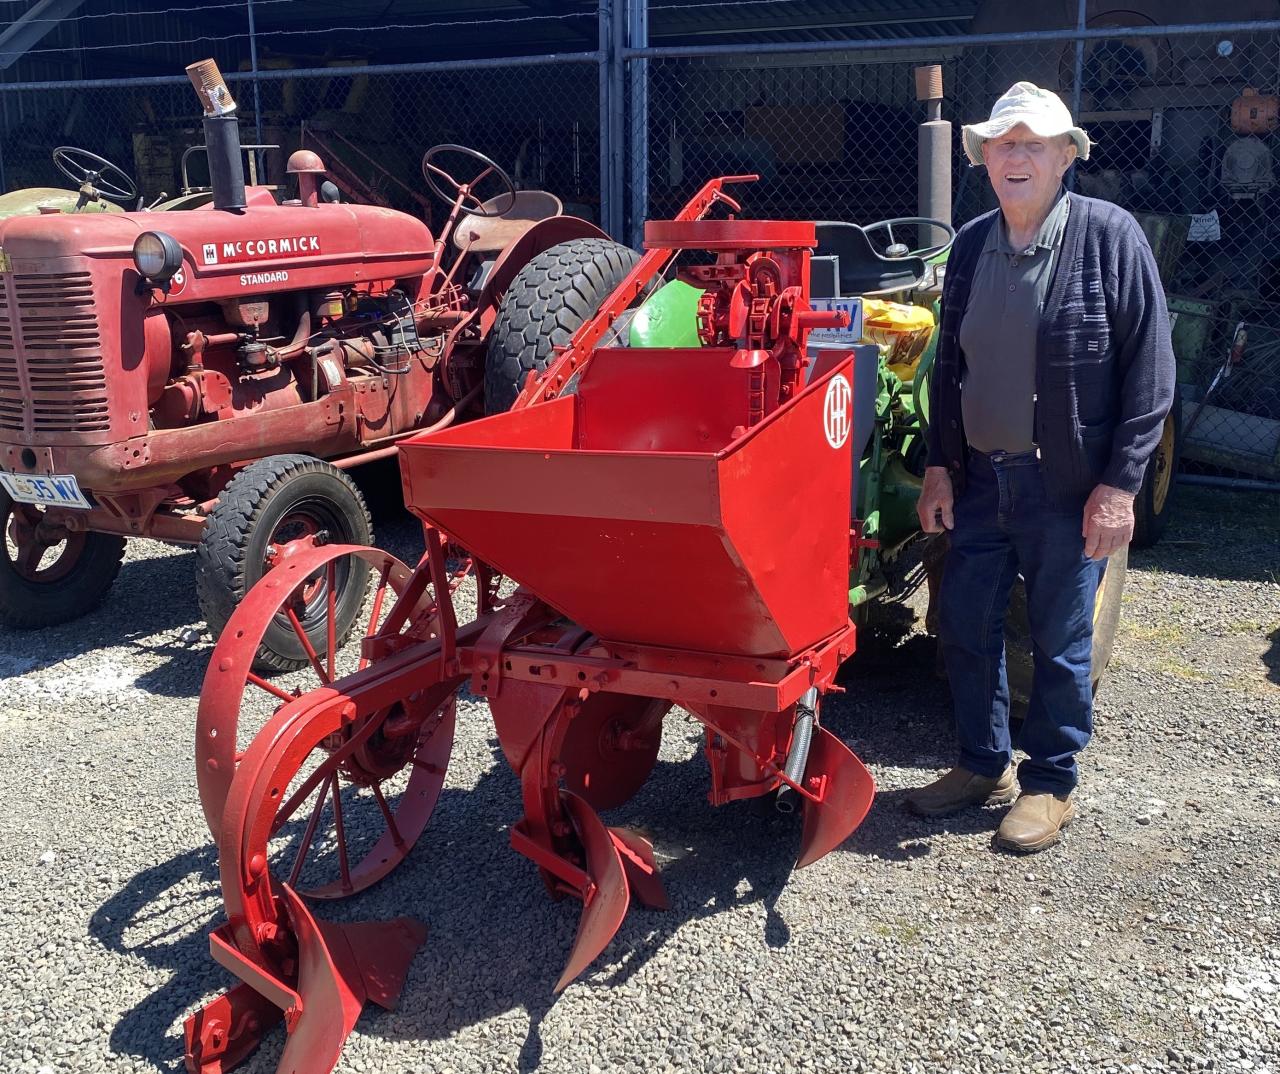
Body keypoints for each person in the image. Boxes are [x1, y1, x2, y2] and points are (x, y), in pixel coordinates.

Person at [905, 82, 1175, 852]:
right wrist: (939, 466)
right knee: (963, 625)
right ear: (983, 158)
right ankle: (981, 763)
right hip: (981, 480)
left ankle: (1051, 782)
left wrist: (1120, 487)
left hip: (1066, 486)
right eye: (1002, 144)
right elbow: (947, 369)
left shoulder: (1109, 236)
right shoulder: (970, 245)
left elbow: (1152, 370)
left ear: (1065, 157)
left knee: (1059, 641)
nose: (1015, 156)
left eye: (1033, 144)